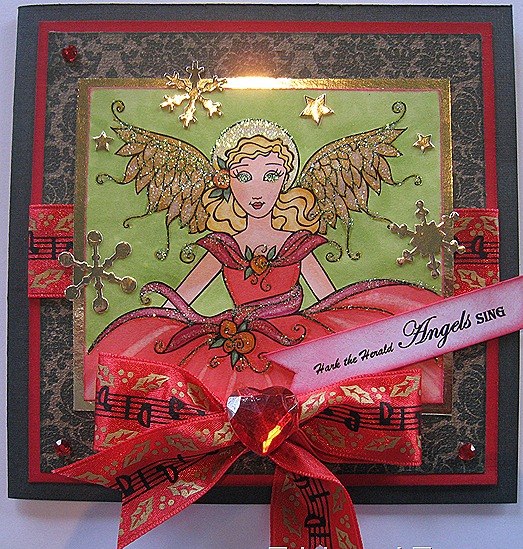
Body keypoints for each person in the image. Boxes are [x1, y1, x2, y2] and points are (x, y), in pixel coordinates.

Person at [86, 120, 442, 404]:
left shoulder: (296, 243)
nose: (258, 189)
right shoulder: (223, 245)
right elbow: (181, 301)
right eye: (244, 176)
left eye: (271, 175)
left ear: (286, 180)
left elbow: (332, 302)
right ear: (226, 182)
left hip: (295, 345)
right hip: (229, 347)